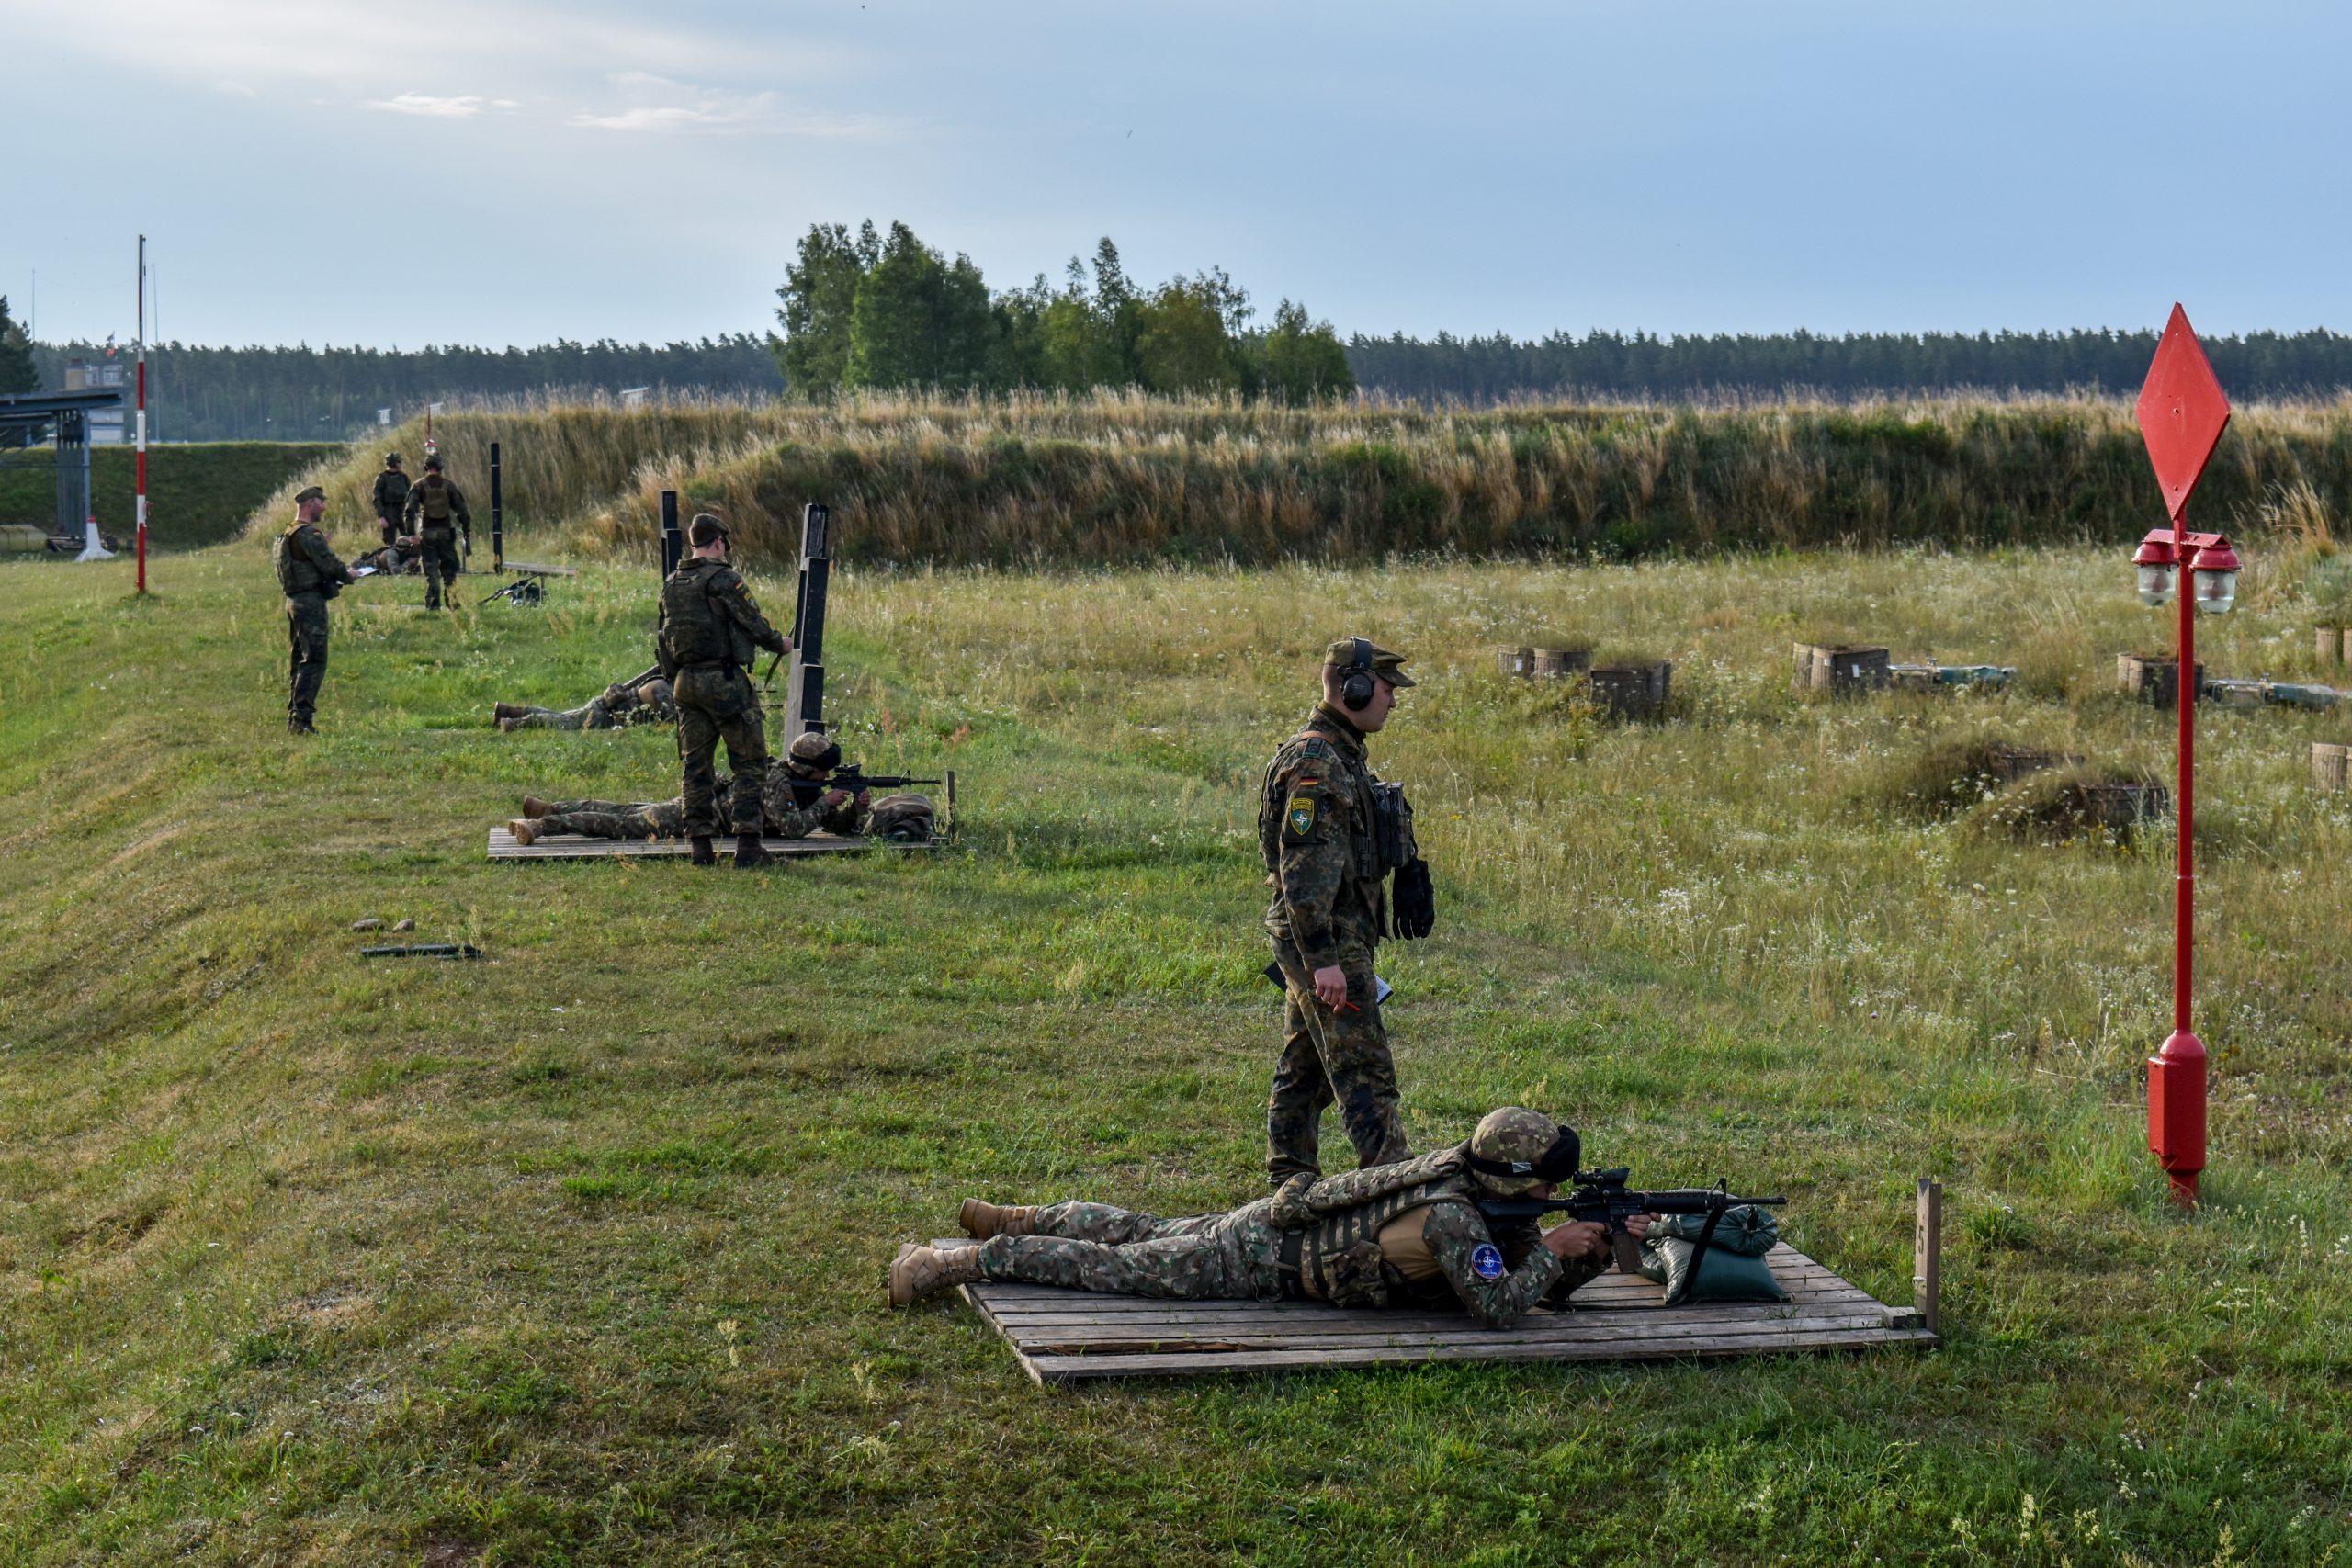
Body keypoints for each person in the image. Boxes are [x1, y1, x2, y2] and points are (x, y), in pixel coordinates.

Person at [889, 1108, 1653, 1329]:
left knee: (1141, 1228)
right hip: (1257, 1260)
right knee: (1117, 1266)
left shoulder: (1462, 1180)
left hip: (1271, 1226)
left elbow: (1533, 1281)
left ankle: (1014, 1215)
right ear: (1510, 1180)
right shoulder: (1453, 1217)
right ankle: (954, 1262)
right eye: (1546, 1182)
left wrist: (1585, 1250)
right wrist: (1553, 1247)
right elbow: (1498, 1306)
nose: (1551, 1191)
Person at [1260, 637, 1424, 1197]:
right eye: (1385, 689)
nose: (1392, 702)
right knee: (1364, 1069)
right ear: (1353, 687)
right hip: (1326, 939)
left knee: (1305, 1068)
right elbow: (1303, 872)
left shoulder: (1340, 755)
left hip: (1330, 937)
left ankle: (1289, 1180)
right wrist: (1323, 960)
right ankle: (1392, 1187)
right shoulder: (1317, 763)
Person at [656, 513, 788, 867]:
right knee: (749, 763)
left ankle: (700, 849)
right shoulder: (724, 578)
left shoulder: (672, 582)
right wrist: (780, 644)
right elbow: (753, 622)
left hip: (685, 684)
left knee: (696, 768)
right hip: (724, 682)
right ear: (719, 543)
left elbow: (663, 636)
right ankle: (748, 848)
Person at [505, 737, 870, 845]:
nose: (826, 777)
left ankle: (551, 808)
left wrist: (854, 810)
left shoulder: (800, 784)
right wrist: (825, 803)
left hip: (702, 808)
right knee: (619, 824)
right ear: (807, 768)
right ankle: (542, 826)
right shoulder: (778, 784)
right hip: (697, 816)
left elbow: (829, 825)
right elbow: (793, 828)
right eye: (823, 770)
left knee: (625, 810)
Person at [273, 485, 356, 735]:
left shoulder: (287, 534)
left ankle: (294, 718)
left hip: (293, 601)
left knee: (298, 661)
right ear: (310, 503)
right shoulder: (309, 534)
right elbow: (330, 565)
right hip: (310, 603)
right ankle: (302, 721)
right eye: (321, 502)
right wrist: (349, 574)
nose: (324, 507)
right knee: (314, 660)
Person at [401, 454, 470, 610]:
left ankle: (433, 602)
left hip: (427, 532)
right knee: (449, 570)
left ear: (426, 467)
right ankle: (452, 602)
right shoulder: (449, 485)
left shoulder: (419, 486)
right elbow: (462, 510)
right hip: (445, 532)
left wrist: (411, 534)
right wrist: (466, 528)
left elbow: (410, 510)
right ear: (440, 467)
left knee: (430, 568)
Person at [492, 677, 678, 733]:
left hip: (604, 710)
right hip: (604, 714)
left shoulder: (664, 684)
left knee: (562, 717)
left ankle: (508, 711)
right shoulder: (661, 688)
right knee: (565, 724)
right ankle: (516, 723)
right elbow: (667, 721)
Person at [371, 452, 409, 547]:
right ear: (393, 463)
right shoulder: (382, 478)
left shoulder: (403, 477)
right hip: (389, 511)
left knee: (409, 538)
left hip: (403, 510)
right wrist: (381, 517)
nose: (401, 464)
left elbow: (410, 494)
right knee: (390, 543)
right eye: (399, 461)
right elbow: (377, 499)